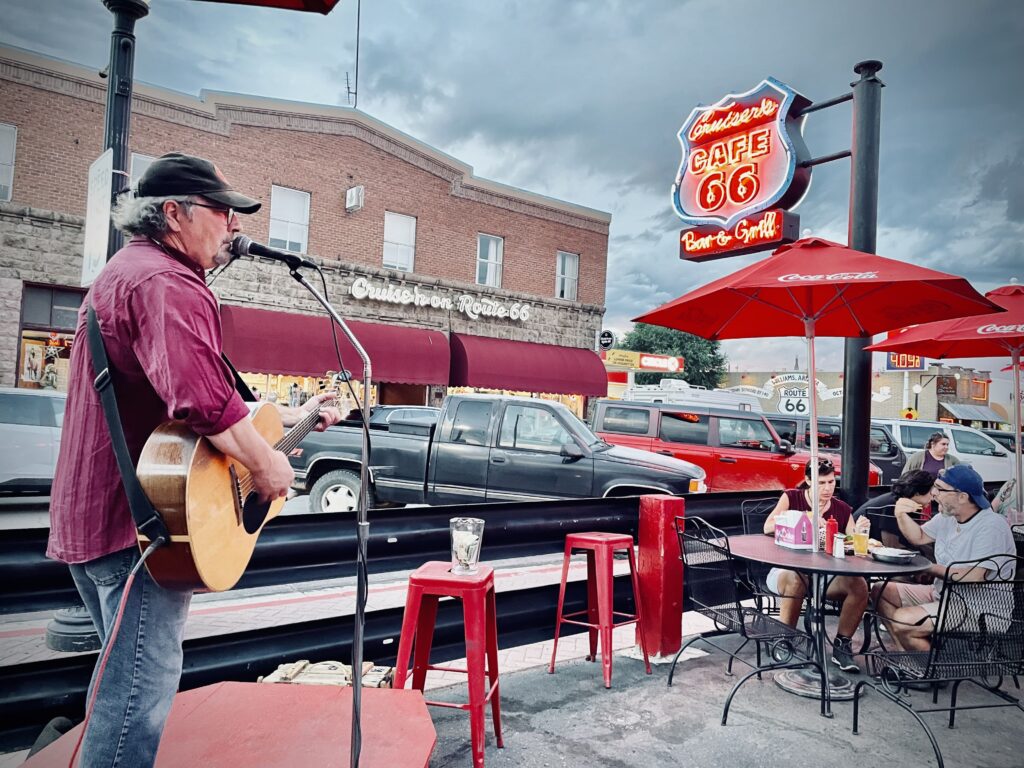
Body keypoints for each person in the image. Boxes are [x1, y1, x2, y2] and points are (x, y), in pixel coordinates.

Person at [47, 151, 342, 767]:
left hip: (104, 521)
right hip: (139, 531)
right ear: (174, 214)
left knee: (124, 690)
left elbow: (194, 399)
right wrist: (266, 466)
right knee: (133, 709)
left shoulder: (131, 273)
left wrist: (294, 417)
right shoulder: (165, 283)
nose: (234, 225)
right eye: (223, 211)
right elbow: (204, 403)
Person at [875, 464, 1016, 651]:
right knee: (879, 590)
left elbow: (974, 577)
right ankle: (910, 656)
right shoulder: (948, 516)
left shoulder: (991, 526)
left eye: (940, 489)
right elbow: (918, 537)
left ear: (962, 496)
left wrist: (926, 567)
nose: (934, 493)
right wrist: (900, 514)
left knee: (903, 621)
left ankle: (929, 670)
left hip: (979, 610)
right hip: (943, 594)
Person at [762, 458, 869, 673]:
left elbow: (851, 542)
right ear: (808, 481)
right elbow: (768, 527)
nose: (828, 488)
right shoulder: (792, 498)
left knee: (859, 585)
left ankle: (842, 645)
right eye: (822, 483)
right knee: (796, 577)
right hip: (785, 569)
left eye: (831, 482)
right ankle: (785, 639)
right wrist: (805, 516)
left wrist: (860, 532)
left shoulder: (840, 508)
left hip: (825, 577)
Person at [852, 470, 935, 548]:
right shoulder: (892, 505)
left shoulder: (912, 504)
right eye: (931, 493)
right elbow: (890, 544)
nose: (933, 498)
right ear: (917, 493)